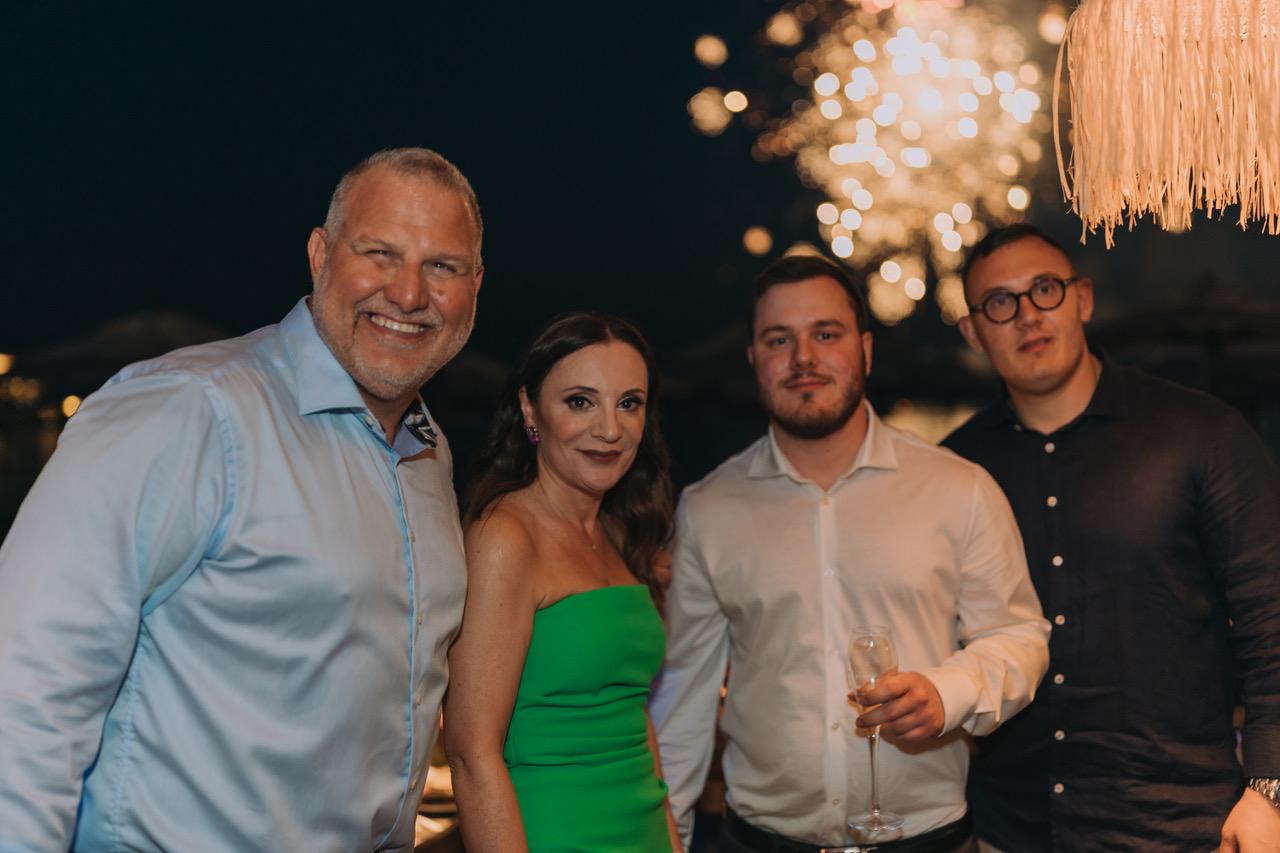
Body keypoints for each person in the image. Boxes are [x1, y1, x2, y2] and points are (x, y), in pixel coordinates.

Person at [0, 147, 484, 851]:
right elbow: (26, 685)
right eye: (379, 253)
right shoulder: (190, 409)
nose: (409, 294)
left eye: (442, 266)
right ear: (320, 255)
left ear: (476, 285)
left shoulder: (428, 457)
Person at [652, 254, 1050, 853]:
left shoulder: (959, 488)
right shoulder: (709, 508)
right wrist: (669, 842)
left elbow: (1019, 637)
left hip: (928, 842)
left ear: (865, 350)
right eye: (779, 340)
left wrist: (949, 692)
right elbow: (683, 699)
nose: (803, 358)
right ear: (754, 359)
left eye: (826, 334)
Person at [943, 223, 1280, 852]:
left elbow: (1272, 623)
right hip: (1008, 828)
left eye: (1045, 289)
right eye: (999, 302)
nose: (1027, 315)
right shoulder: (955, 471)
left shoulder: (1201, 434)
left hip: (1179, 827)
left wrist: (1269, 789)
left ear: (1083, 299)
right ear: (973, 332)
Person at [444, 312, 683, 852]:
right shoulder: (505, 536)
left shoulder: (620, 532)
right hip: (551, 833)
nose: (610, 429)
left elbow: (633, 720)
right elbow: (471, 751)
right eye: (580, 402)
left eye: (629, 403)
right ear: (530, 409)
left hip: (642, 832)